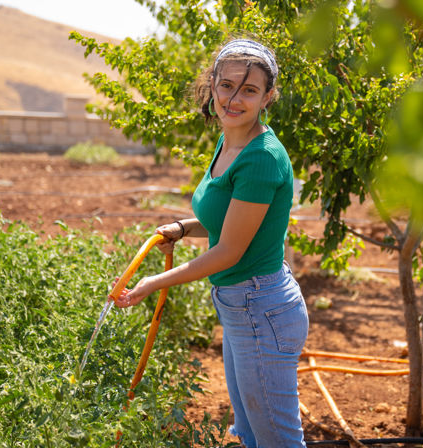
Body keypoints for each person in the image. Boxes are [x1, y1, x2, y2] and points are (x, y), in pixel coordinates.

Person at [111, 38, 309, 448]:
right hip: (244, 308)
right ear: (212, 85)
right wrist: (184, 229)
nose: (233, 98)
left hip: (261, 309)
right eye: (227, 85)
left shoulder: (261, 157)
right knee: (253, 434)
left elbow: (230, 251)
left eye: (249, 90)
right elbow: (226, 221)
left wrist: (152, 283)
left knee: (279, 442)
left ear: (268, 96)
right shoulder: (230, 140)